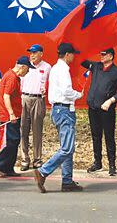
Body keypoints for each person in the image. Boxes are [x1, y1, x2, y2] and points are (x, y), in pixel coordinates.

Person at [34, 43, 84, 194]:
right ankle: (43, 171)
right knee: (67, 148)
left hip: (59, 109)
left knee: (67, 147)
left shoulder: (56, 68)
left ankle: (67, 181)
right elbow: (67, 91)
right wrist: (78, 95)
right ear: (67, 54)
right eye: (73, 54)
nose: (74, 57)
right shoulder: (63, 70)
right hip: (64, 109)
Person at [82, 47, 117, 176]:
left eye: (104, 54)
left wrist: (111, 101)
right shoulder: (96, 66)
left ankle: (112, 164)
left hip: (106, 109)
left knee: (109, 136)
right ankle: (97, 162)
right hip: (93, 107)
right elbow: (82, 61)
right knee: (96, 136)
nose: (101, 56)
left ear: (111, 56)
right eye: (100, 54)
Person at [0, 56, 33, 177]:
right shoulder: (12, 77)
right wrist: (11, 114)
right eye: (28, 69)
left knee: (14, 141)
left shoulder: (11, 76)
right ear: (23, 67)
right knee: (12, 141)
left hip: (12, 114)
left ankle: (8, 168)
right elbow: (6, 96)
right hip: (9, 116)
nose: (28, 71)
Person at [19, 44, 51, 171]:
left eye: (35, 52)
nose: (32, 55)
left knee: (37, 130)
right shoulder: (24, 65)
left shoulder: (47, 67)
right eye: (30, 52)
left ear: (41, 54)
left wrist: (46, 89)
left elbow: (50, 82)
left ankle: (37, 159)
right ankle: (24, 159)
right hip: (25, 98)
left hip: (38, 99)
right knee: (23, 130)